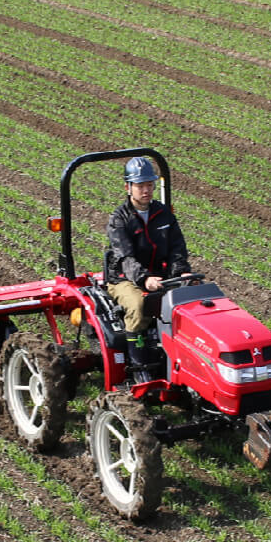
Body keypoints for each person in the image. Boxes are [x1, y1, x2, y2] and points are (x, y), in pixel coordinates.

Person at [104, 156, 191, 381]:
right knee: (138, 304)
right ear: (128, 187)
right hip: (124, 278)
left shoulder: (163, 214)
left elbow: (177, 247)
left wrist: (181, 271)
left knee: (191, 298)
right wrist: (144, 279)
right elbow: (125, 257)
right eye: (140, 185)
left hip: (160, 274)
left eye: (150, 185)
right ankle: (140, 365)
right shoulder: (119, 219)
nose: (146, 190)